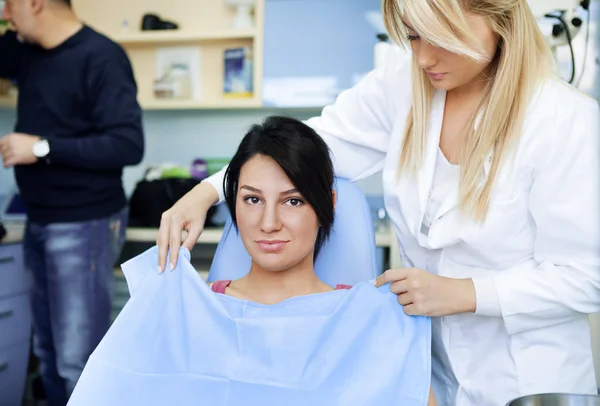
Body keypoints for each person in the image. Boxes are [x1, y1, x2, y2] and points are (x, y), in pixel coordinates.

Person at [156, 0, 600, 405]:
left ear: (499, 18)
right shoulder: (405, 84)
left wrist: (464, 293)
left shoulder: (563, 120)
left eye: (441, 38)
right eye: (411, 35)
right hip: (433, 370)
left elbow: (588, 275)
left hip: (530, 380)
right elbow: (308, 149)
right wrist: (208, 191)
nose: (423, 57)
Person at [66, 115, 436, 406]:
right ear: (233, 204)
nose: (269, 223)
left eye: (293, 201)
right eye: (252, 199)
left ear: (328, 207)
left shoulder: (370, 325)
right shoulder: (188, 314)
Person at [0, 0, 144, 405]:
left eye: (9, 5)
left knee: (78, 361)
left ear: (35, 3)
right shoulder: (26, 52)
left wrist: (43, 148)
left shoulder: (101, 56)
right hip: (39, 220)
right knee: (46, 355)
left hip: (86, 224)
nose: (5, 15)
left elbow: (128, 145)